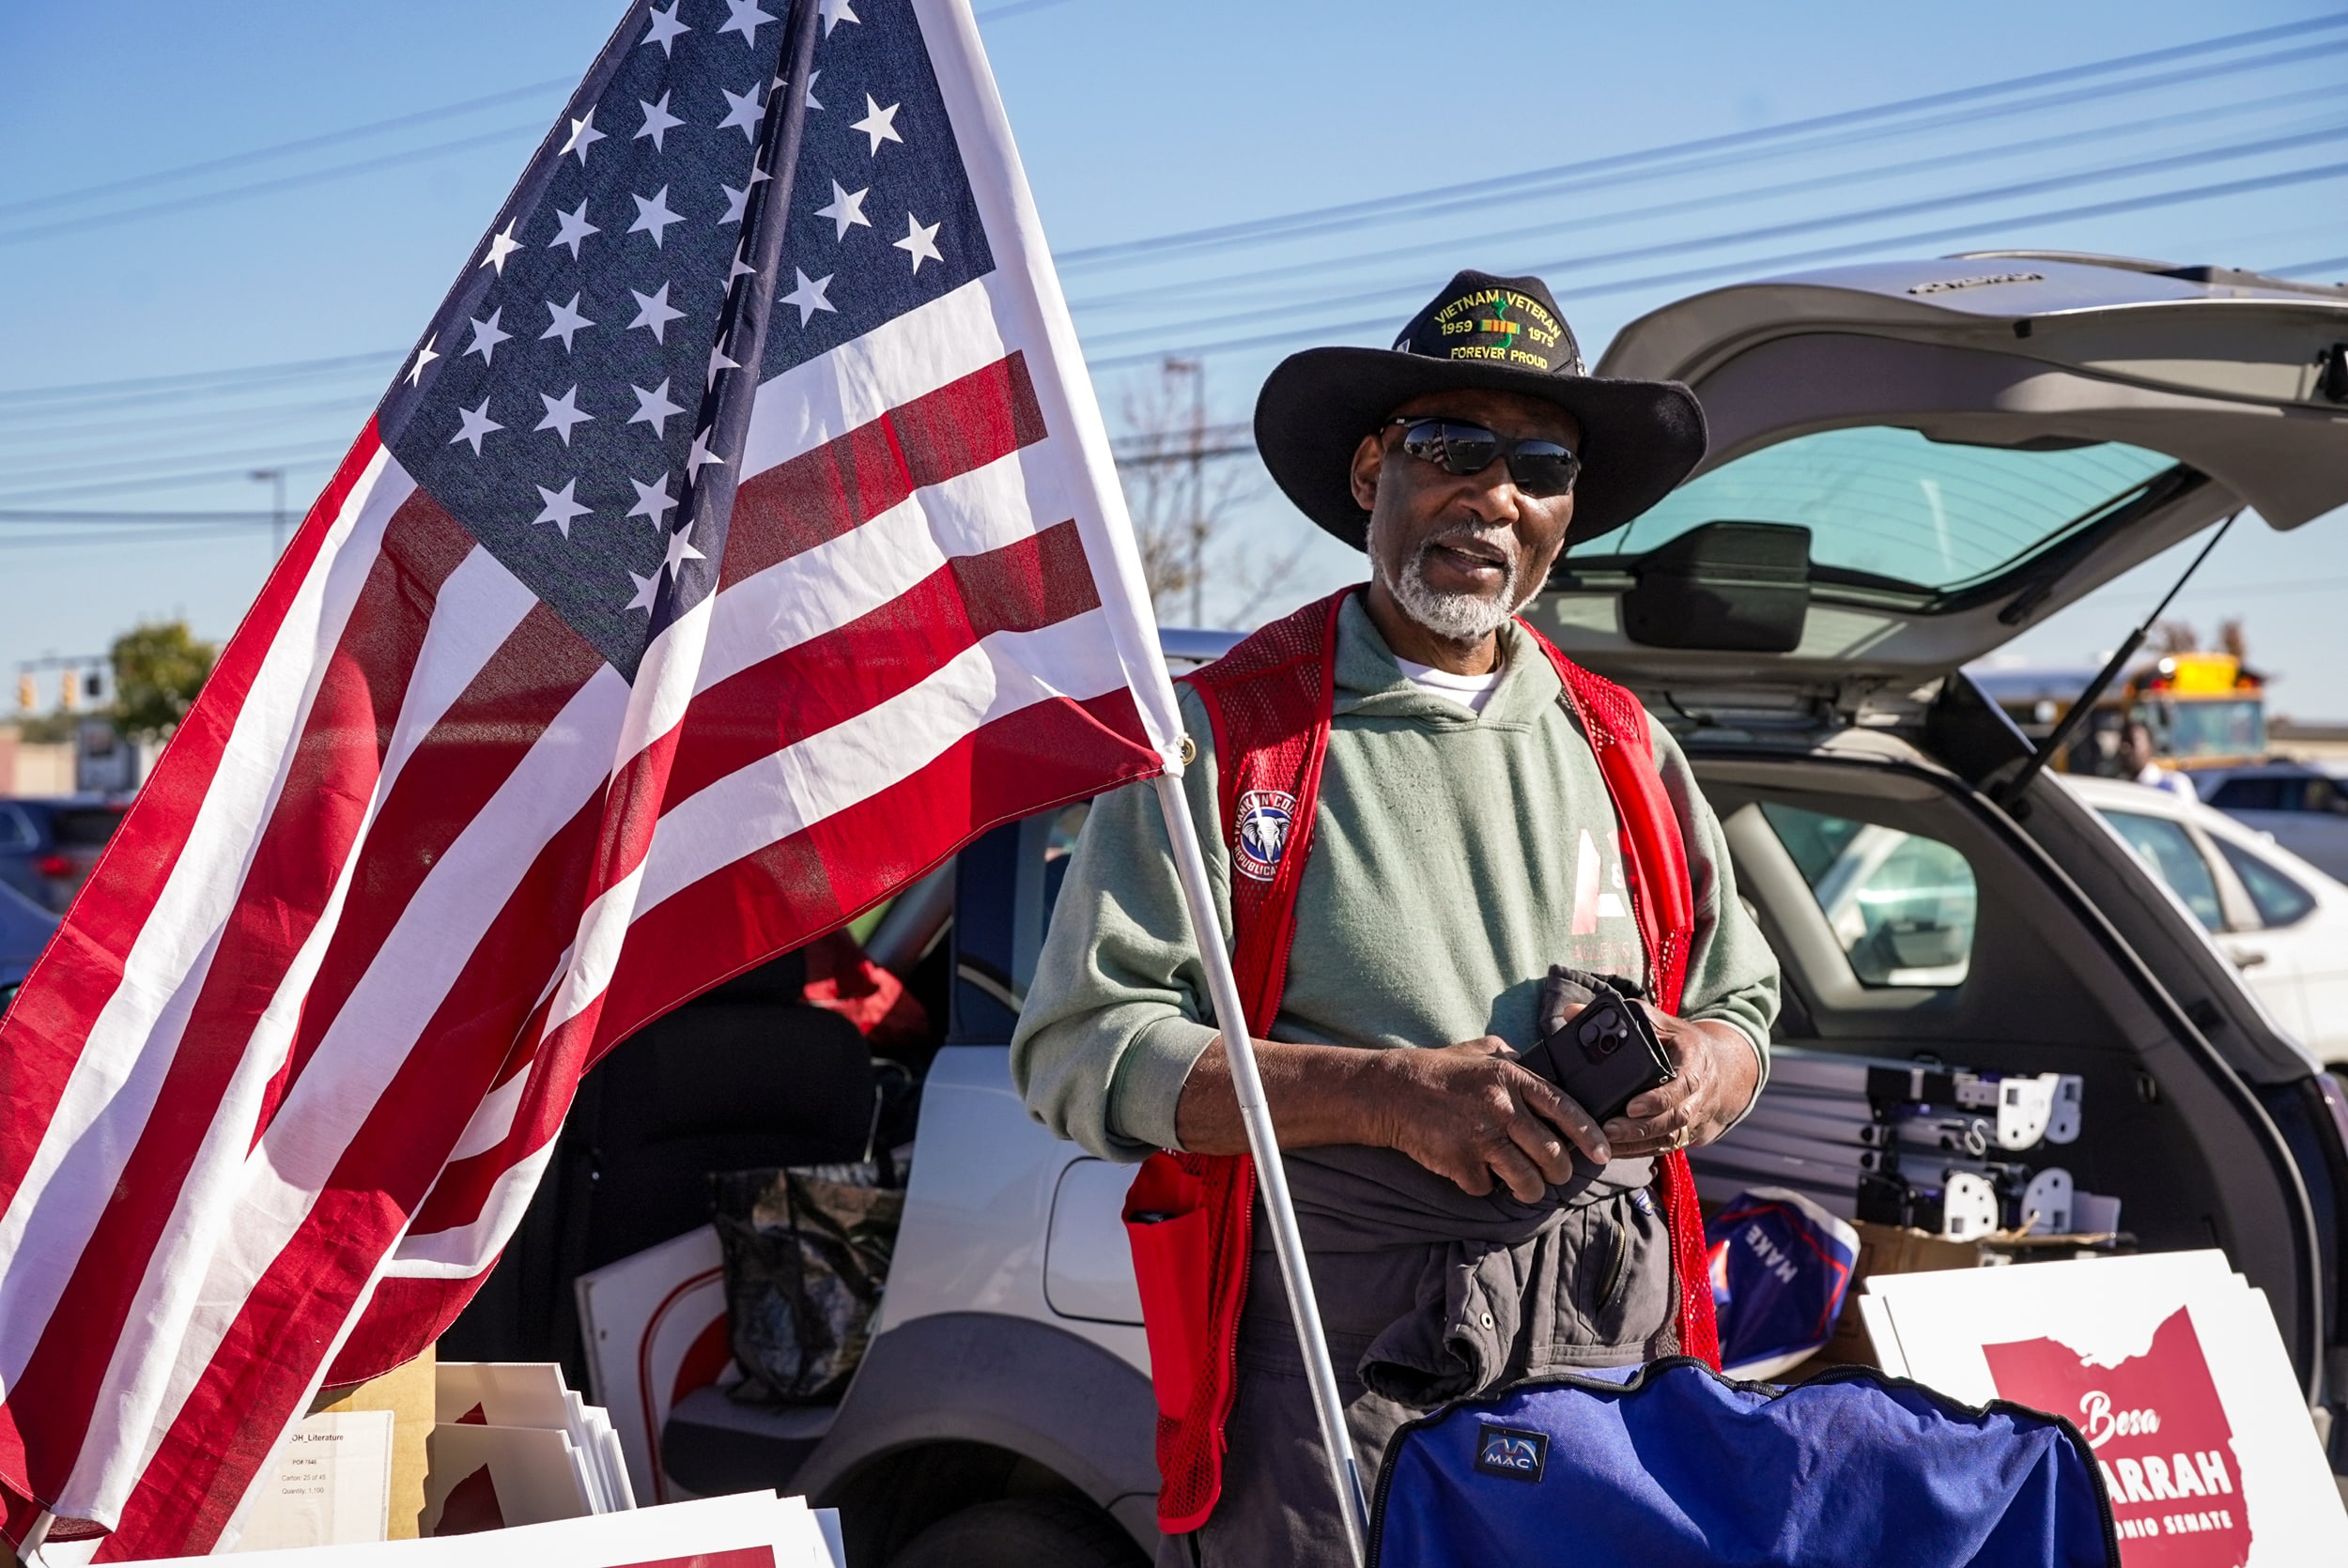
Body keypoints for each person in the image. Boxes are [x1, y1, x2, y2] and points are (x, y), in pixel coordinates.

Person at [1012, 270, 1780, 1566]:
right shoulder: (1231, 734)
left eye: (1541, 465)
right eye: (1450, 447)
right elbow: (1077, 1046)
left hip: (1604, 1330)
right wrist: (1385, 1094)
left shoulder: (1626, 745)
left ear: (1566, 515)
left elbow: (1746, 1006)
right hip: (1341, 1341)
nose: (1495, 492)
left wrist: (1705, 1068)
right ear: (1373, 471)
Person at [2117, 719, 2199, 799]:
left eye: (2132, 742)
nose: (2125, 749)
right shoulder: (2118, 788)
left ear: (2150, 747)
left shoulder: (2173, 785)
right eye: (2122, 743)